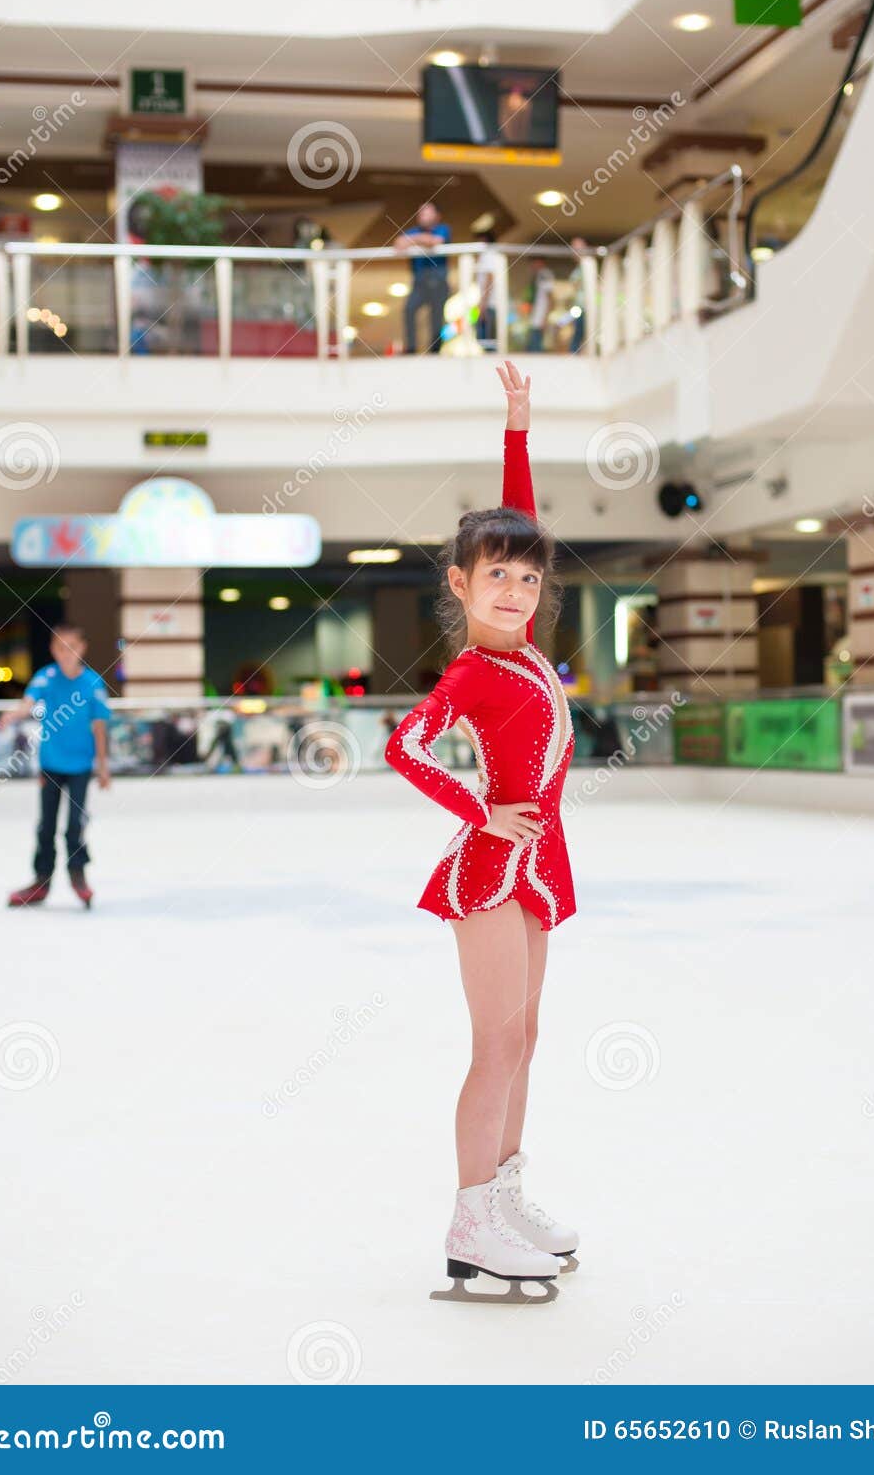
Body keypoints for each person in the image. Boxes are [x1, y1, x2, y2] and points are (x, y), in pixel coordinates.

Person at [383, 360, 579, 1305]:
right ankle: (469, 1222)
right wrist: (478, 812)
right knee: (495, 1043)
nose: (514, 588)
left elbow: (517, 518)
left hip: (536, 863)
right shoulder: (470, 671)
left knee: (528, 1036)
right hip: (491, 867)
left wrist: (516, 428)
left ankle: (503, 1197)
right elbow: (404, 747)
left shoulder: (527, 646)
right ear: (459, 585)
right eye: (494, 576)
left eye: (528, 577)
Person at [1, 626, 112, 909]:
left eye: (71, 646)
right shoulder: (46, 677)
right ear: (53, 649)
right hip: (50, 764)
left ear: (82, 648)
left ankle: (78, 874)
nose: (66, 652)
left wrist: (103, 766)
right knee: (45, 826)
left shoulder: (92, 683)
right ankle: (41, 880)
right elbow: (28, 703)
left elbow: (99, 727)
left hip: (80, 767)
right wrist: (15, 713)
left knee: (75, 824)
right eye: (60, 647)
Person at [394, 202, 451, 354]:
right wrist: (422, 239)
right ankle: (411, 347)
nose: (421, 216)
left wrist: (413, 239)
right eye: (420, 213)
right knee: (409, 310)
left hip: (438, 282)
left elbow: (436, 241)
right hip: (419, 283)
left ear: (437, 216)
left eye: (426, 212)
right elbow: (399, 243)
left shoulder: (443, 228)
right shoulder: (413, 230)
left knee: (436, 316)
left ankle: (435, 349)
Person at [474, 228, 501, 352]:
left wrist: (483, 305)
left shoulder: (488, 255)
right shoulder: (490, 255)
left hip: (489, 304)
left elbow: (490, 278)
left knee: (487, 342)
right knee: (486, 341)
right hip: (489, 303)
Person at [525, 256, 555, 354]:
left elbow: (550, 298)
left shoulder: (545, 275)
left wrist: (545, 318)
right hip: (536, 316)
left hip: (540, 317)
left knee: (536, 347)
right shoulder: (538, 276)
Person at [568, 236, 590, 354]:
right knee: (578, 331)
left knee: (581, 331)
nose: (575, 251)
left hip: (587, 306)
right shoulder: (578, 268)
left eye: (577, 247)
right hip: (579, 306)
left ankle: (575, 353)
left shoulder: (588, 265)